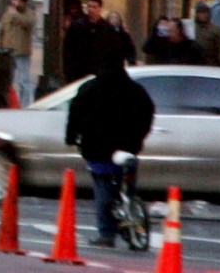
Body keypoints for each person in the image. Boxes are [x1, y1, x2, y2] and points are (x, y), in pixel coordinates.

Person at [63, 46, 154, 248]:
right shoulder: (135, 90)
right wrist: (138, 138)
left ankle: (106, 233)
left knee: (102, 187)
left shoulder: (90, 89)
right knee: (127, 184)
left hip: (98, 148)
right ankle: (131, 216)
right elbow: (147, 114)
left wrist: (71, 137)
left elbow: (74, 115)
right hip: (128, 147)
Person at [60, 0, 129, 82]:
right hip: (79, 72)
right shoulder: (77, 27)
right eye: (89, 6)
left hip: (101, 72)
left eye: (94, 7)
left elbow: (115, 52)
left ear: (100, 9)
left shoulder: (108, 29)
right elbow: (68, 49)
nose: (91, 9)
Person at [0, 0, 39, 102]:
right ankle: (8, 102)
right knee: (7, 80)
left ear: (23, 2)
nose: (14, 2)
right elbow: (1, 31)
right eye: (13, 0)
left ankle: (25, 103)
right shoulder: (7, 13)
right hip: (7, 52)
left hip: (21, 52)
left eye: (16, 0)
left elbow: (29, 23)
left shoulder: (29, 13)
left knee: (24, 81)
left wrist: (16, 15)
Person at [190, 0, 220, 67]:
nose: (203, 15)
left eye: (205, 13)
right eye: (200, 13)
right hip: (192, 63)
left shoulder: (214, 30)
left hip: (209, 64)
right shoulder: (191, 27)